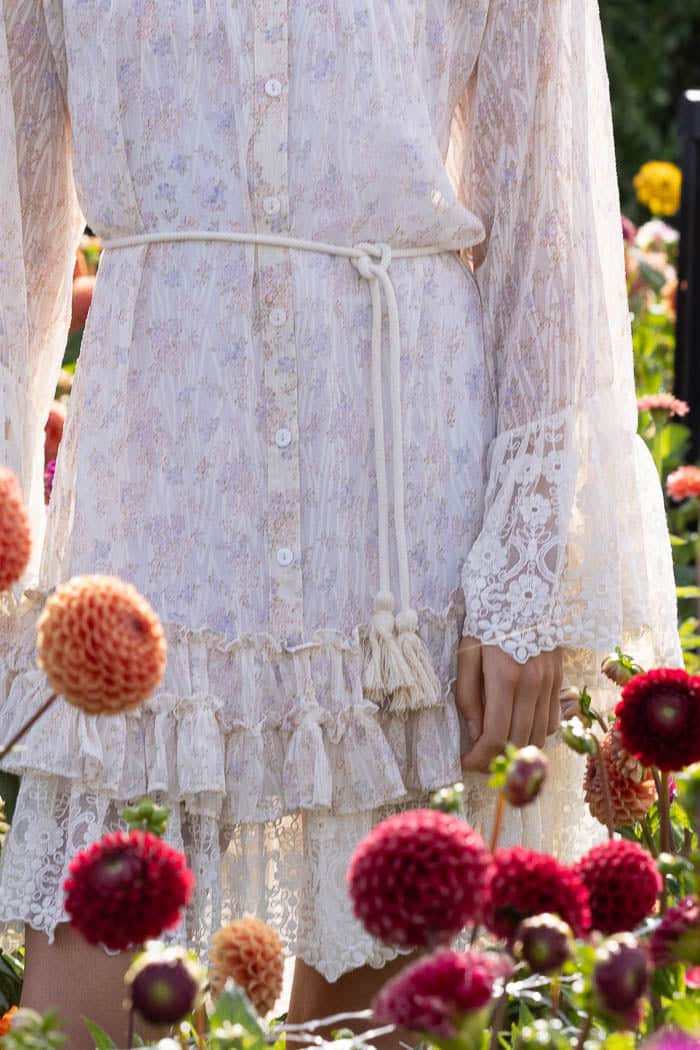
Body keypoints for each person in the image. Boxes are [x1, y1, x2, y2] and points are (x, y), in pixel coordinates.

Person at [0, 0, 683, 1046]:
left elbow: (545, 213)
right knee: (79, 1008)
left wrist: (531, 566)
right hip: (155, 509)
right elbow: (13, 233)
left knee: (381, 1010)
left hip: (405, 531)